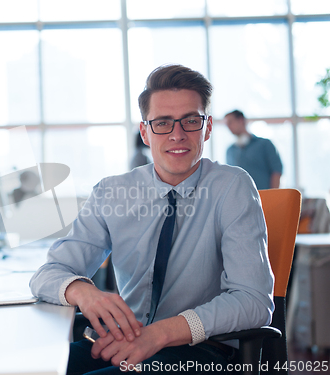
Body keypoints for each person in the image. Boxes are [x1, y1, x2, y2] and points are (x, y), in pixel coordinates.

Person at [30, 64, 274, 374]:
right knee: (32, 367)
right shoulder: (112, 192)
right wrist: (83, 291)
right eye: (162, 123)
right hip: (123, 340)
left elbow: (253, 301)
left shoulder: (232, 187)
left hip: (201, 349)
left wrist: (158, 334)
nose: (177, 134)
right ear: (145, 132)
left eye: (190, 120)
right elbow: (47, 274)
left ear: (208, 128)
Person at [224, 110, 283, 189]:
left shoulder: (265, 144)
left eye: (230, 122)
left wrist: (273, 196)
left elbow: (276, 171)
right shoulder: (230, 151)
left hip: (264, 197)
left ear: (241, 120)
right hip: (240, 199)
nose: (228, 126)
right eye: (226, 124)